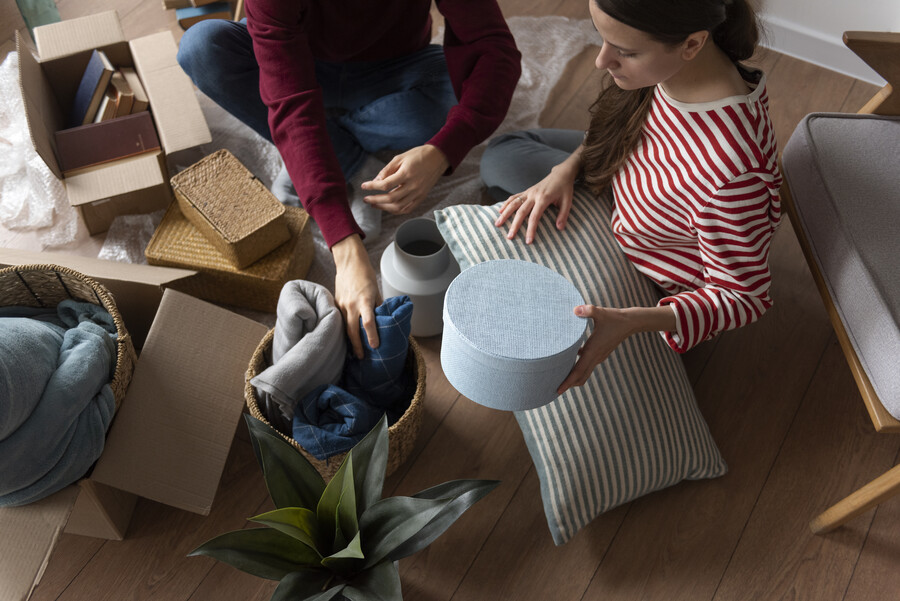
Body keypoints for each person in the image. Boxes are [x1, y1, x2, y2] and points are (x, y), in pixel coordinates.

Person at [177, 2, 521, 358]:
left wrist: (443, 151)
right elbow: (290, 102)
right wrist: (344, 247)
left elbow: (495, 48)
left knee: (461, 95)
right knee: (203, 47)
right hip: (299, 57)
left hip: (395, 66)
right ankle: (347, 158)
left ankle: (319, 144)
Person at [480, 0, 781, 394]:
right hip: (623, 184)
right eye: (602, 39)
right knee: (503, 156)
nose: (601, 61)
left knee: (541, 345)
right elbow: (618, 134)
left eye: (624, 51)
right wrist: (566, 170)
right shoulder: (674, 67)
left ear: (692, 44)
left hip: (647, 278)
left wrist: (632, 321)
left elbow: (744, 296)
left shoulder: (732, 174)